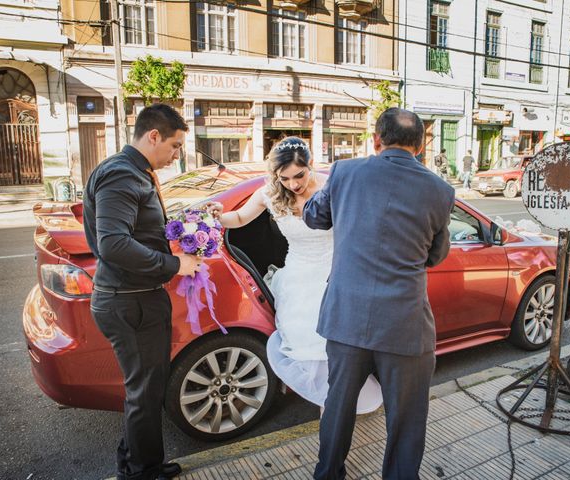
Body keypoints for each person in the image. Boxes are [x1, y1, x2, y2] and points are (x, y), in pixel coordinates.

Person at [303, 108, 455, 480]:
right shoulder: (441, 191)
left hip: (346, 318)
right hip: (404, 325)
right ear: (420, 146)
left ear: (376, 139)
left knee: (337, 407)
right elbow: (435, 255)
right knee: (406, 419)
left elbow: (313, 217)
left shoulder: (344, 172)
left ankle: (327, 475)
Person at [206, 137, 382, 413]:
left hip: (332, 276)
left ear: (310, 165)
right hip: (297, 278)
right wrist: (219, 216)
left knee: (332, 344)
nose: (293, 184)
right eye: (284, 178)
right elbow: (240, 219)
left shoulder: (332, 187)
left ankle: (337, 400)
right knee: (306, 343)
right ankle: (328, 400)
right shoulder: (270, 193)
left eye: (299, 175)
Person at [83, 104, 201, 480]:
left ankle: (138, 461)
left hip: (138, 295)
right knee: (144, 391)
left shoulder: (134, 172)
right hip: (128, 300)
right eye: (176, 145)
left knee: (146, 390)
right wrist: (174, 265)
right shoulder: (120, 175)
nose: (178, 154)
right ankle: (140, 472)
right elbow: (114, 244)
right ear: (154, 136)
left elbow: (136, 233)